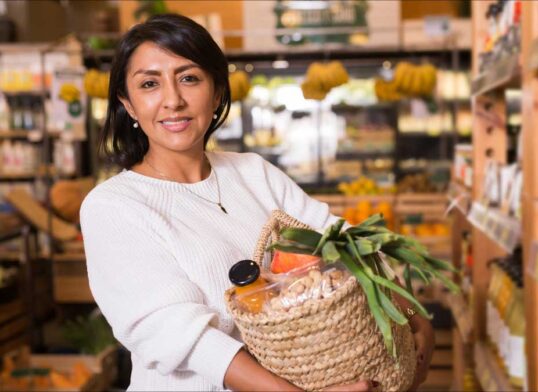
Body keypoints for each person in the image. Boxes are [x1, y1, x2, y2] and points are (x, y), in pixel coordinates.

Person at [81, 14, 434, 391]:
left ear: (216, 92)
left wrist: (411, 311)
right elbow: (174, 332)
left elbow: (339, 238)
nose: (173, 100)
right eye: (149, 84)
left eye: (189, 78)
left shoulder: (251, 172)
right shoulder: (113, 206)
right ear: (129, 105)